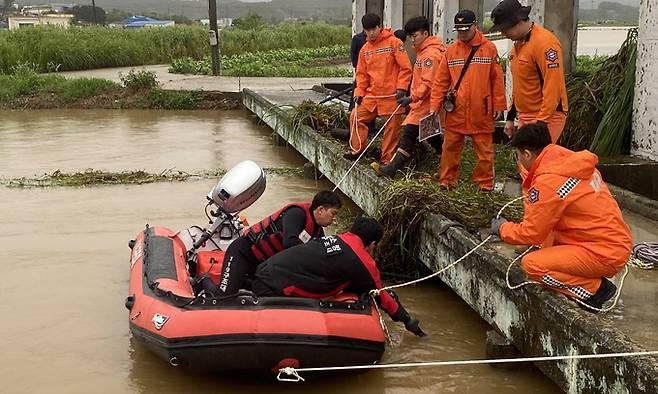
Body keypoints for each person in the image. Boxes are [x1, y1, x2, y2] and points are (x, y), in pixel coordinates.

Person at [490, 123, 632, 312]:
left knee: (533, 266)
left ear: (527, 154)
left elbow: (531, 233)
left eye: (518, 156)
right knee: (545, 248)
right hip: (611, 243)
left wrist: (502, 228)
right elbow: (548, 227)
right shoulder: (569, 163)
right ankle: (589, 280)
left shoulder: (548, 181)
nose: (519, 161)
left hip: (602, 253)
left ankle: (594, 291)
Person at [251, 217, 426, 337]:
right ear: (373, 244)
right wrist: (407, 319)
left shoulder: (337, 239)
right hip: (272, 289)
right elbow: (382, 296)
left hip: (263, 272)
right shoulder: (362, 260)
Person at [204, 190, 342, 296]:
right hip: (243, 253)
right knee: (225, 296)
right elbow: (290, 243)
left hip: (261, 264)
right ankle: (204, 281)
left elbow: (320, 251)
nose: (334, 219)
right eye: (333, 213)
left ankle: (241, 282)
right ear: (321, 210)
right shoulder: (296, 214)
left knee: (262, 289)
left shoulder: (317, 230)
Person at [490, 0, 569, 186]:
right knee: (525, 167)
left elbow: (553, 86)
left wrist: (541, 125)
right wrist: (511, 117)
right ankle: (531, 209)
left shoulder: (546, 43)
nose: (503, 34)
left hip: (548, 116)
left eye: (504, 29)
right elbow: (519, 86)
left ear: (517, 22)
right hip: (526, 114)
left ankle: (543, 207)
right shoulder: (517, 46)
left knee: (539, 165)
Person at [429, 10, 506, 191]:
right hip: (457, 110)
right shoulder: (451, 52)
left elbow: (497, 78)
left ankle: (485, 184)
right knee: (450, 148)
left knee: (484, 151)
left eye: (465, 29)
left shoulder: (489, 48)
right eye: (459, 30)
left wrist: (499, 104)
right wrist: (434, 106)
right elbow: (440, 81)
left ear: (475, 26)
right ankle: (447, 181)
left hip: (481, 109)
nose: (462, 33)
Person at [372, 16, 446, 178]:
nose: (412, 40)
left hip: (426, 104)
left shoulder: (430, 55)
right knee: (431, 135)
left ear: (425, 33)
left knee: (409, 134)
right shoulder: (425, 52)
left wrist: (411, 98)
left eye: (415, 36)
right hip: (423, 103)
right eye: (411, 37)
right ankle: (445, 160)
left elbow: (428, 83)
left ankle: (391, 168)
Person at [344, 13, 412, 166]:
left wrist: (402, 87)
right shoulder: (365, 50)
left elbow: (406, 68)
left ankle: (387, 160)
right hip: (372, 96)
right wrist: (359, 93)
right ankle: (358, 150)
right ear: (364, 31)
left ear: (379, 27)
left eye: (374, 29)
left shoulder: (394, 43)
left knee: (391, 129)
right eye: (368, 30)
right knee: (355, 116)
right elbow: (361, 75)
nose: (372, 33)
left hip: (392, 96)